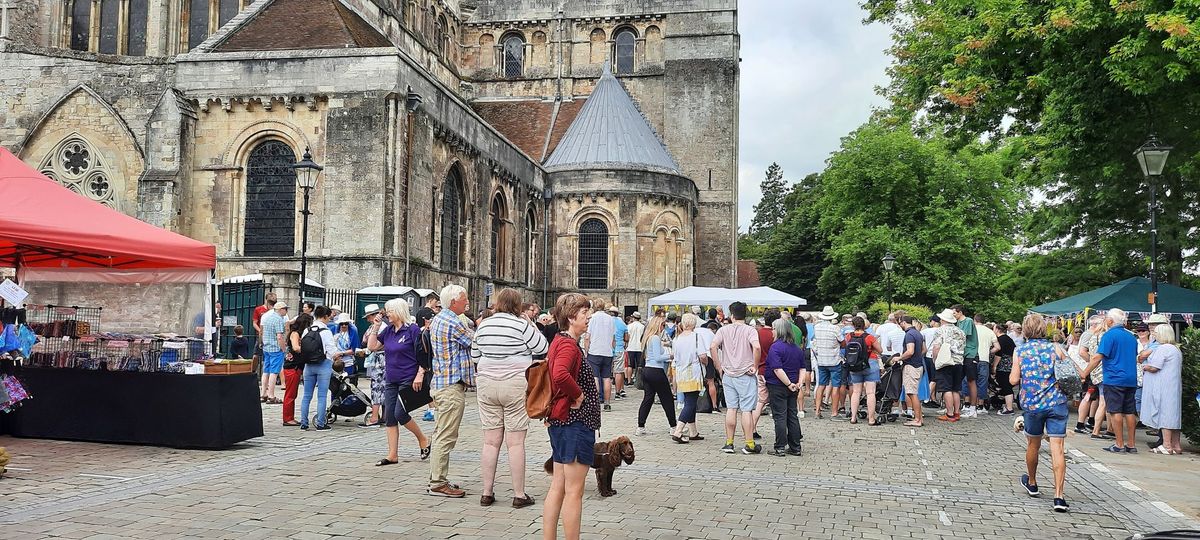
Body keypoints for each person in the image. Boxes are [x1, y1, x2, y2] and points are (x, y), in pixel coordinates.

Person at [470, 288, 548, 508]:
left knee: (490, 441)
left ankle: (486, 492)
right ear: (517, 305)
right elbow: (542, 347)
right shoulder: (521, 324)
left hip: (486, 383)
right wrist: (529, 324)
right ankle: (519, 494)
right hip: (515, 382)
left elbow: (475, 354)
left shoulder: (484, 325)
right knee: (515, 443)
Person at [543, 293, 601, 540]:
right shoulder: (568, 345)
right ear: (570, 317)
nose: (589, 318)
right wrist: (578, 396)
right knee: (574, 491)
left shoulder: (560, 340)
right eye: (584, 313)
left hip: (563, 423)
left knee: (558, 486)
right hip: (574, 424)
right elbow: (559, 375)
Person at [1011, 313, 1071, 513]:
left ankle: (1033, 482)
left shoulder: (1020, 350)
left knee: (1033, 444)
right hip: (1057, 403)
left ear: (1026, 330)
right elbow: (1072, 372)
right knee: (1058, 448)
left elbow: (1012, 380)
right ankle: (1059, 496)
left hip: (1033, 405)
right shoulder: (1056, 348)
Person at [366, 299, 432, 465]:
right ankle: (392, 454)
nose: (387, 314)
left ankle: (423, 439)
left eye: (390, 311)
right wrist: (375, 326)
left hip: (408, 377)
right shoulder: (388, 331)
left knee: (400, 413)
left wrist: (420, 373)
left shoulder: (412, 330)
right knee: (390, 417)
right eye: (387, 311)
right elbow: (372, 347)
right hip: (391, 378)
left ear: (399, 311)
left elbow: (421, 353)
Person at [425, 284, 474, 497]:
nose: (467, 302)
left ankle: (438, 478)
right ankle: (437, 483)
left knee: (441, 433)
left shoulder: (441, 318)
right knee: (445, 435)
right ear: (453, 302)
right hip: (450, 385)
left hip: (441, 383)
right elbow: (474, 341)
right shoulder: (452, 322)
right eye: (464, 299)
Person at [1081, 308, 1139, 453]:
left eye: (1107, 317)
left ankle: (1119, 444)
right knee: (1130, 411)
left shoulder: (1109, 335)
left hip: (1114, 378)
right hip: (1131, 377)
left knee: (1115, 410)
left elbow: (1097, 357)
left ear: (1111, 321)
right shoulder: (1132, 337)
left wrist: (1085, 373)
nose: (1106, 319)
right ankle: (1131, 444)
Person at [709, 301, 762, 455]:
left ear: (731, 315)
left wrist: (719, 366)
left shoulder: (723, 330)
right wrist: (756, 365)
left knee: (731, 409)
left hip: (728, 373)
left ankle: (729, 442)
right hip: (745, 373)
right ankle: (749, 443)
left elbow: (713, 346)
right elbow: (757, 347)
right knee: (746, 410)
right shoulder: (750, 330)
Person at [764, 318, 806, 456]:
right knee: (792, 415)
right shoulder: (797, 348)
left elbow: (777, 369)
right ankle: (795, 446)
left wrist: (788, 383)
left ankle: (780, 446)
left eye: (774, 329)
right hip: (794, 385)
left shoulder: (775, 347)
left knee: (780, 416)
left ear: (779, 330)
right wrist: (799, 383)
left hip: (778, 385)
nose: (772, 331)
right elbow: (802, 368)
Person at [1141, 323, 1183, 455]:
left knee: (1164, 414)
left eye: (1156, 334)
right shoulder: (1176, 349)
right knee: (1174, 416)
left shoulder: (1163, 348)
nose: (1154, 336)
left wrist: (1145, 367)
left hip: (1163, 386)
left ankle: (1166, 445)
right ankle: (1176, 445)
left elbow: (1154, 367)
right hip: (1174, 386)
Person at [636, 315, 677, 437]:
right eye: (663, 325)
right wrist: (670, 356)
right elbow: (658, 358)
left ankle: (640, 426)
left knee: (648, 398)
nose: (664, 327)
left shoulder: (648, 338)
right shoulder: (655, 338)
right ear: (658, 325)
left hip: (647, 370)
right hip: (656, 370)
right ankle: (673, 426)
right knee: (667, 398)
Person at [670, 313, 708, 443]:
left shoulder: (677, 339)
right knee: (691, 403)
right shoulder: (696, 337)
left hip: (681, 373)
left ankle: (693, 431)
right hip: (693, 372)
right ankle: (679, 430)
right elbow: (703, 355)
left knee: (688, 400)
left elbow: (674, 356)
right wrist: (706, 363)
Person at [298, 305, 337, 431]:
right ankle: (320, 423)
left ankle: (304, 422)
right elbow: (332, 351)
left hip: (308, 366)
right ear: (325, 316)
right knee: (322, 396)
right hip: (323, 364)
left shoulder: (307, 330)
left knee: (306, 395)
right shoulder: (326, 332)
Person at [844, 316, 883, 425]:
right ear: (864, 325)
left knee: (856, 392)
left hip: (854, 365)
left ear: (853, 325)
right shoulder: (869, 337)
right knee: (870, 393)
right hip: (870, 363)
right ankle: (871, 419)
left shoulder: (848, 336)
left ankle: (853, 417)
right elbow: (880, 350)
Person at [930, 308, 966, 422]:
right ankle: (956, 412)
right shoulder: (960, 331)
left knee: (946, 389)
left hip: (946, 361)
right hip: (959, 361)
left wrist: (935, 360)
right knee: (956, 388)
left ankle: (949, 414)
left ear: (943, 319)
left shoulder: (940, 331)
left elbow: (936, 347)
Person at [582, 299, 616, 411]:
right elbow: (613, 338)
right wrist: (612, 349)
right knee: (607, 378)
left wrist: (586, 351)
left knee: (595, 377)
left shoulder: (592, 318)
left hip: (595, 351)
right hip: (607, 351)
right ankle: (607, 402)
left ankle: (595, 401)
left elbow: (587, 337)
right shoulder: (610, 319)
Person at [811, 306, 844, 421]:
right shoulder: (835, 328)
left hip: (821, 360)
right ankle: (834, 412)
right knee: (835, 386)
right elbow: (842, 341)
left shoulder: (817, 327)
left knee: (821, 385)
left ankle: (817, 410)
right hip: (834, 360)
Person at [282, 313, 312, 427]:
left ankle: (289, 416)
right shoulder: (295, 334)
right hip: (292, 367)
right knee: (290, 394)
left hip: (295, 366)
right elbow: (296, 348)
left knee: (292, 393)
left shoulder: (296, 333)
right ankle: (288, 418)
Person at [358, 304, 385, 428]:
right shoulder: (375, 327)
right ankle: (384, 416)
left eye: (369, 317)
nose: (368, 320)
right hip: (377, 360)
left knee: (377, 388)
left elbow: (373, 346)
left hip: (380, 360)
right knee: (382, 388)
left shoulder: (380, 327)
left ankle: (375, 418)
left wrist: (367, 350)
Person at [951, 305, 980, 418]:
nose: (953, 315)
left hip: (970, 354)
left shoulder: (967, 321)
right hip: (962, 355)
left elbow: (962, 335)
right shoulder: (958, 323)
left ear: (960, 312)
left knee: (971, 381)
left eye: (954, 313)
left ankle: (973, 408)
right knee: (958, 381)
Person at [898, 316, 925, 427]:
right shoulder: (918, 333)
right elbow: (924, 349)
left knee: (912, 393)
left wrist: (899, 358)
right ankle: (918, 418)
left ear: (904, 322)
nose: (900, 326)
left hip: (911, 366)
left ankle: (918, 419)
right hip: (919, 365)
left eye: (900, 323)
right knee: (913, 392)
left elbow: (910, 351)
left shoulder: (909, 334)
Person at [259, 301, 288, 404]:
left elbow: (261, 332)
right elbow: (279, 337)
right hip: (276, 348)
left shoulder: (267, 318)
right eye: (285, 309)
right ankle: (271, 395)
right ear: (280, 309)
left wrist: (261, 343)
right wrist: (284, 348)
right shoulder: (278, 319)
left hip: (266, 347)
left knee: (266, 371)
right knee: (274, 372)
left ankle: (263, 394)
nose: (286, 311)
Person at [698, 309, 721, 413]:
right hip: (708, 356)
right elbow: (714, 348)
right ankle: (714, 405)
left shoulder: (697, 330)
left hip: (696, 357)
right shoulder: (711, 334)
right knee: (711, 382)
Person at [993, 322, 1018, 415]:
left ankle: (1009, 408)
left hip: (1004, 365)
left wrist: (994, 366)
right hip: (1011, 364)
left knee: (1005, 385)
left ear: (997, 330)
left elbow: (998, 355)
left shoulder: (1000, 340)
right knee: (1007, 385)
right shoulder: (1008, 339)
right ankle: (1008, 405)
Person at [252, 292, 277, 377]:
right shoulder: (258, 309)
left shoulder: (275, 310)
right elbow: (254, 323)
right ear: (266, 300)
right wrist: (260, 331)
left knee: (267, 357)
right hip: (261, 335)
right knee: (256, 355)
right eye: (272, 300)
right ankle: (253, 372)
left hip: (271, 336)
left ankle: (267, 375)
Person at [609, 305, 630, 399]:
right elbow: (626, 337)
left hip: (607, 349)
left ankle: (605, 393)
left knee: (606, 373)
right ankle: (618, 391)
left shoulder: (607, 321)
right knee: (619, 371)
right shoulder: (622, 323)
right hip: (619, 348)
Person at [920, 317, 940, 408]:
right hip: (936, 357)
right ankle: (927, 398)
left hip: (926, 357)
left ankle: (932, 398)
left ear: (934, 322)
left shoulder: (925, 331)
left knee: (929, 378)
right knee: (934, 379)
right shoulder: (941, 331)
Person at [625, 312, 645, 387]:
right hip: (640, 347)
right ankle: (639, 380)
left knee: (630, 365)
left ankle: (629, 380)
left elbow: (627, 337)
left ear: (633, 317)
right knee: (640, 365)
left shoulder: (629, 326)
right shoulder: (642, 327)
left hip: (631, 347)